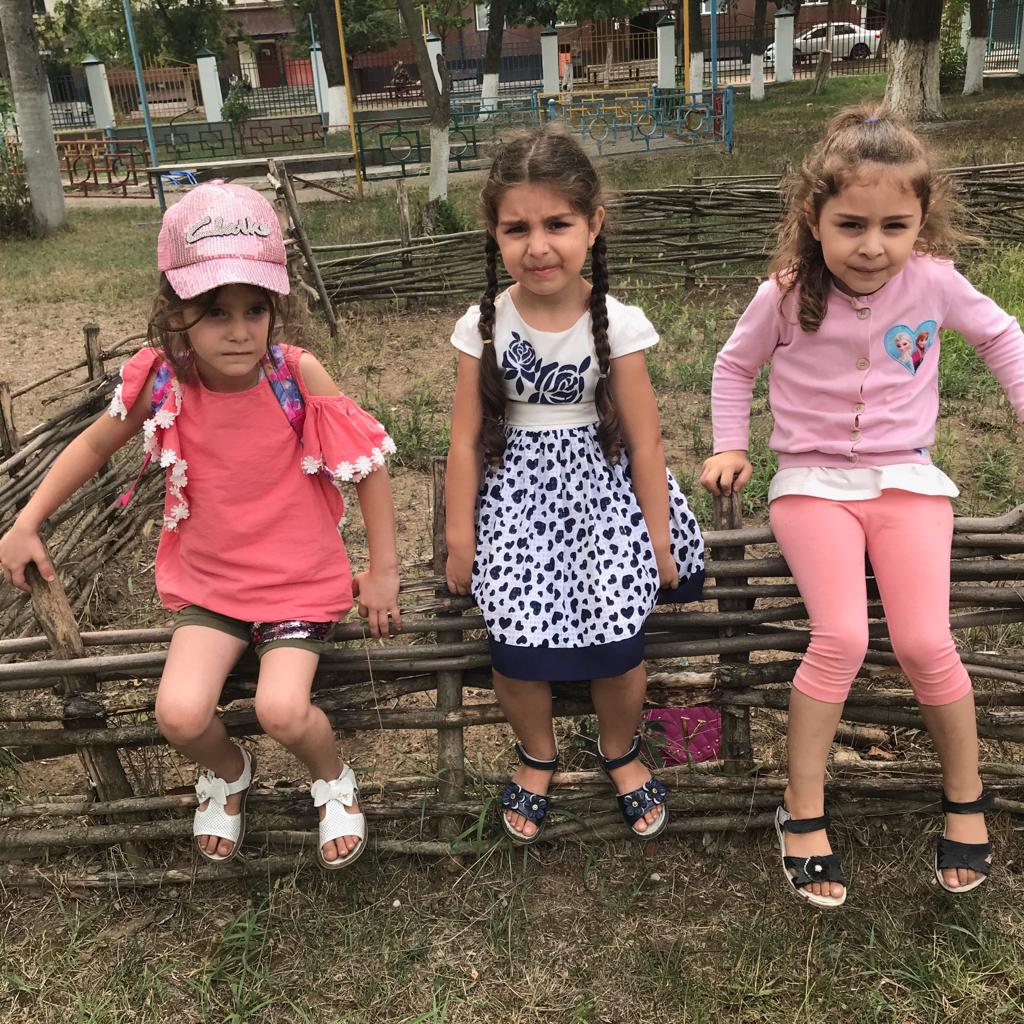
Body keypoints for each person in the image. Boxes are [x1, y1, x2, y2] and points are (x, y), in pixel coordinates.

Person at [0, 182, 402, 870]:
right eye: (216, 311)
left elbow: (367, 466)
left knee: (283, 709)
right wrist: (27, 520)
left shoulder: (296, 375)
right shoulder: (162, 380)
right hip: (211, 586)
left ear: (276, 308)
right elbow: (94, 445)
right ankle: (229, 771)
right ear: (175, 312)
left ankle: (332, 778)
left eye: (255, 309)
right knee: (180, 715)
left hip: (298, 584)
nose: (239, 330)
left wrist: (384, 571)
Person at [701, 106, 1024, 907]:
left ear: (922, 221)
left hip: (908, 481)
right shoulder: (783, 294)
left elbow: (1000, 336)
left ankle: (966, 796)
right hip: (811, 485)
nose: (872, 245)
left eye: (894, 226)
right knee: (840, 635)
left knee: (925, 640)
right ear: (813, 218)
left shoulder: (935, 282)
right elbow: (734, 367)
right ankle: (802, 806)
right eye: (850, 225)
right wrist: (730, 443)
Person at [445, 127, 705, 846]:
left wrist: (656, 537)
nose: (538, 246)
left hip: (602, 495)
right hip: (517, 499)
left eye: (557, 224)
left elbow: (646, 441)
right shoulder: (483, 325)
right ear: (493, 233)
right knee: (511, 641)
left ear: (593, 225)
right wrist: (461, 536)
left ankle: (620, 749)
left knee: (620, 636)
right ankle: (538, 754)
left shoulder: (617, 323)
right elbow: (463, 441)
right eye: (517, 228)